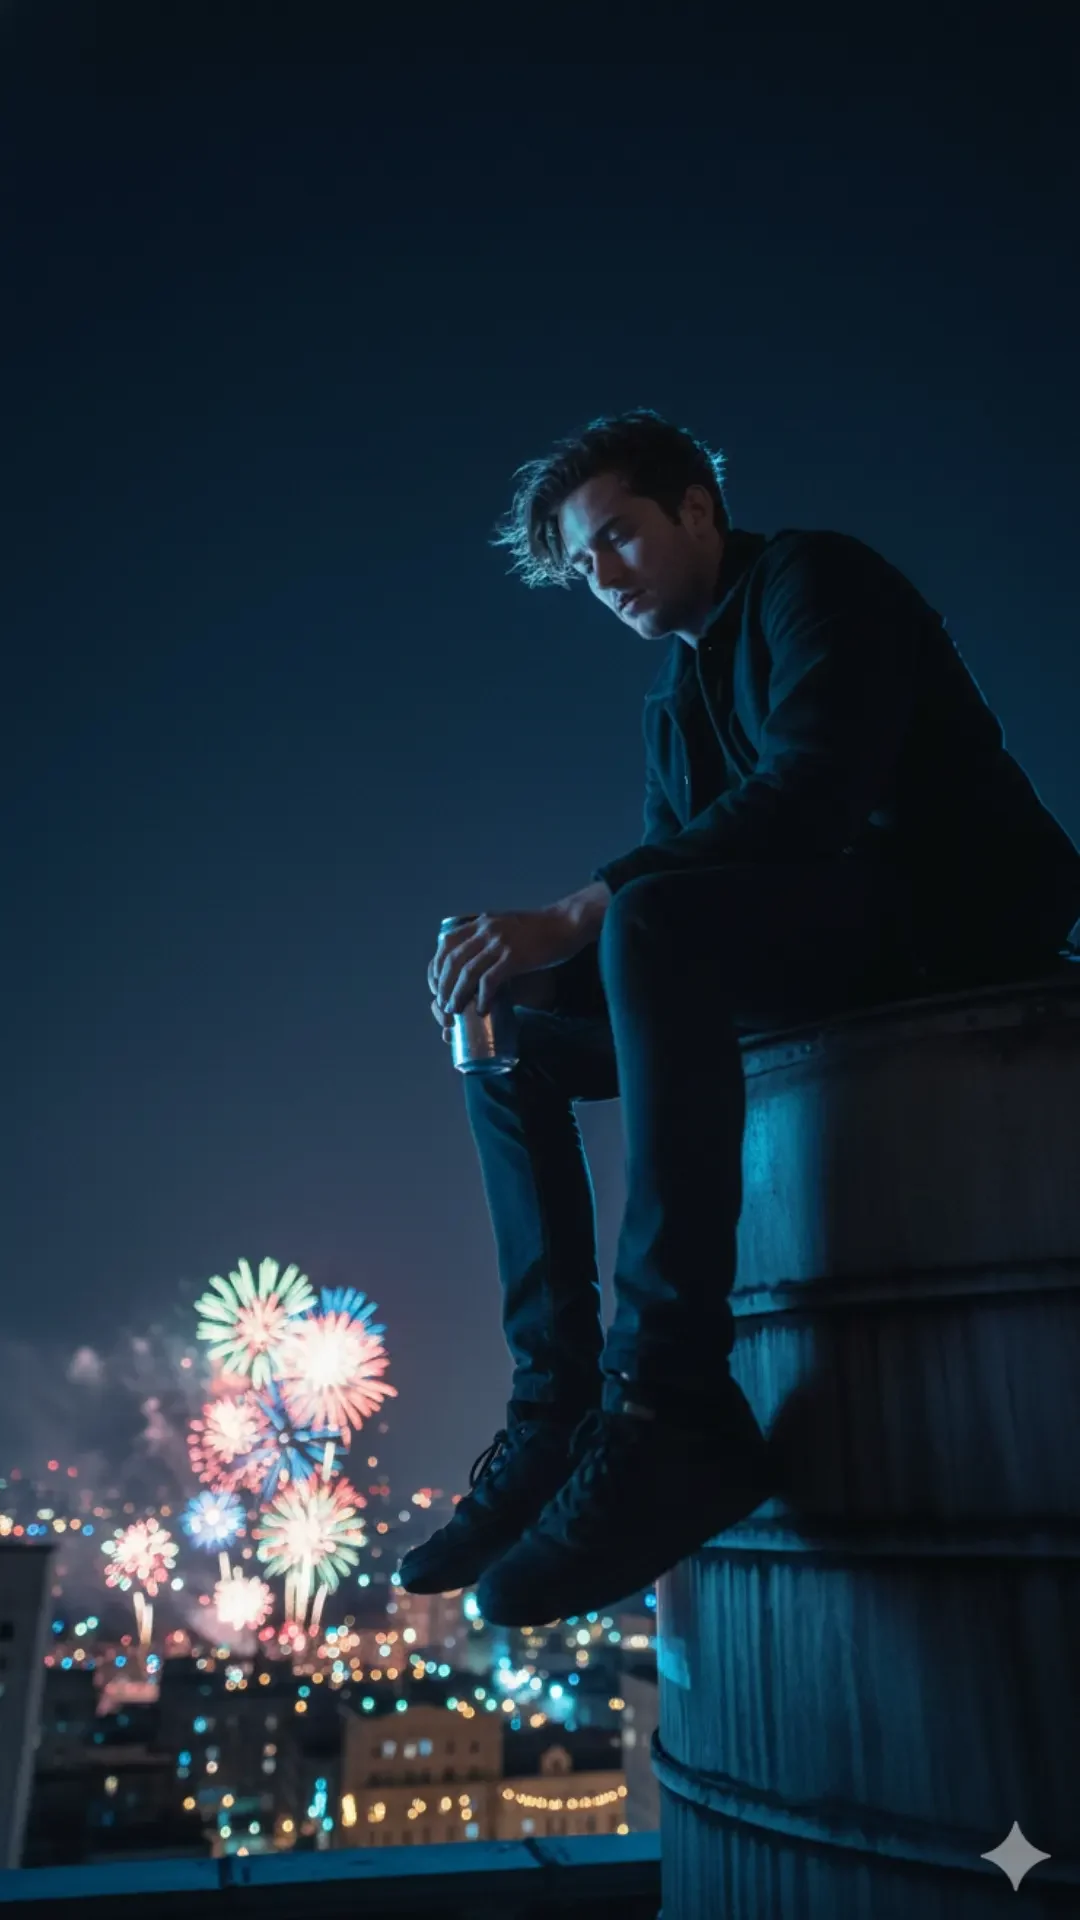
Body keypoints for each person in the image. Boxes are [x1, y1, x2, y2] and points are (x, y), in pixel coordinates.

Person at [398, 408, 1080, 1628]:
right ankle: (556, 1417)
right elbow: (681, 879)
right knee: (512, 1027)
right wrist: (544, 969)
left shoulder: (819, 579)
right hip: (823, 945)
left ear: (698, 509)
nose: (600, 576)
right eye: (582, 563)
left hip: (955, 916)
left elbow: (807, 801)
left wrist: (579, 912)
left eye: (617, 538)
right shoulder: (675, 701)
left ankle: (671, 1405)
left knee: (644, 923)